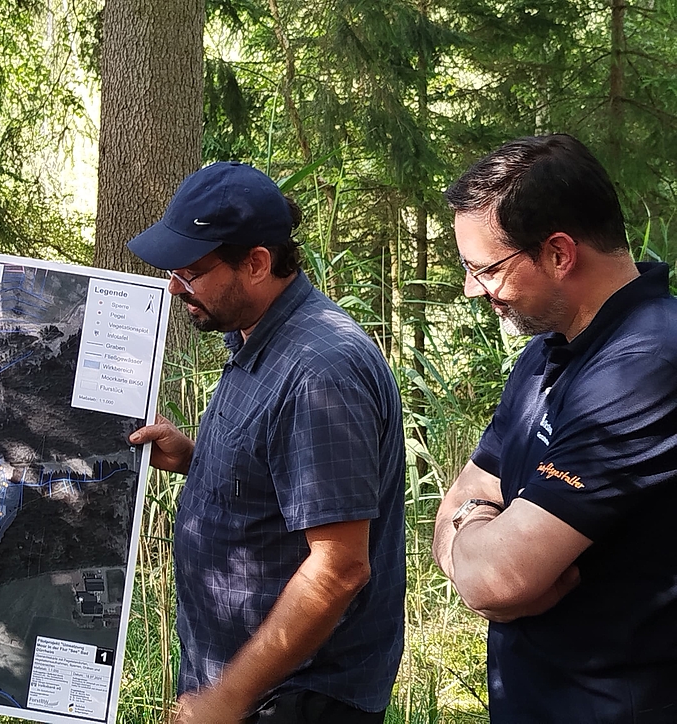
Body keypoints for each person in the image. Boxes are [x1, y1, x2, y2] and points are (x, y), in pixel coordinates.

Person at [127, 161, 406, 724]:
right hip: (258, 688)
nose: (173, 287)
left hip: (299, 698)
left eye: (191, 271)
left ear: (256, 262)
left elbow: (340, 569)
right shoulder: (258, 339)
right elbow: (282, 481)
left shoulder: (320, 369)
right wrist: (194, 460)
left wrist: (226, 700)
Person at [432, 134, 677, 722]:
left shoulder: (648, 366)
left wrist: (483, 561)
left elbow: (498, 578)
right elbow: (460, 503)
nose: (473, 290)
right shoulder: (546, 352)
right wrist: (474, 525)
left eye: (485, 269)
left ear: (559, 253)